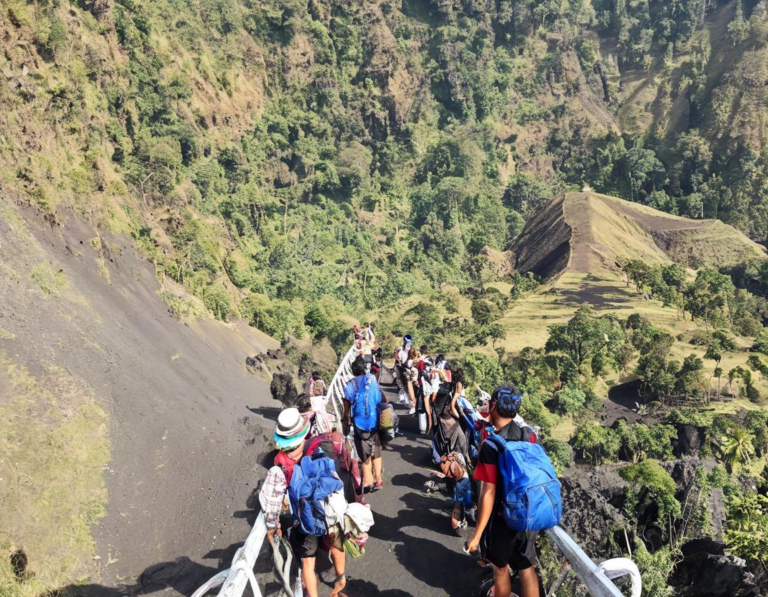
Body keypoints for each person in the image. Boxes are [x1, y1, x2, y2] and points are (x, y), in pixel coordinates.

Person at [259, 408, 348, 597]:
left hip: (304, 521)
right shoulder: (319, 450)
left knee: (308, 562)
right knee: (337, 544)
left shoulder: (280, 465)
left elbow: (272, 500)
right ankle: (341, 578)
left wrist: (272, 527)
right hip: (329, 513)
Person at [466, 385, 541, 597]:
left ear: (494, 406)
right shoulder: (530, 435)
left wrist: (477, 534)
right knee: (526, 566)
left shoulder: (491, 445)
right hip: (529, 514)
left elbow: (487, 493)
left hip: (503, 518)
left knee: (500, 569)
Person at [343, 356, 384, 492]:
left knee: (363, 451)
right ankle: (378, 477)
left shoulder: (350, 384)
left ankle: (367, 480)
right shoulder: (371, 379)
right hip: (374, 420)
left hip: (360, 423)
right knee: (376, 446)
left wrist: (346, 421)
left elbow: (346, 406)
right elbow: (378, 399)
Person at [394, 335, 412, 404]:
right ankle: (402, 398)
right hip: (401, 367)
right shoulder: (399, 349)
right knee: (401, 383)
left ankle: (406, 399)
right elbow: (396, 357)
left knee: (406, 383)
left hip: (406, 367)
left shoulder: (410, 349)